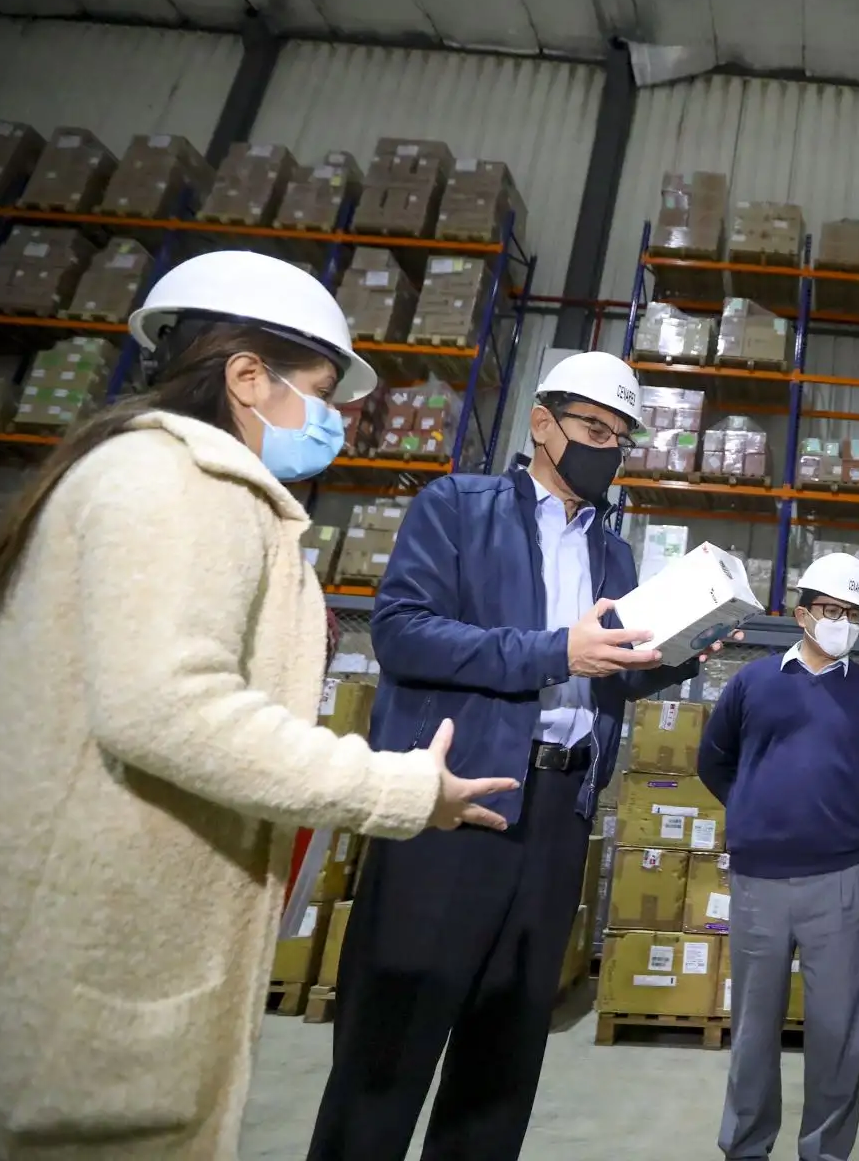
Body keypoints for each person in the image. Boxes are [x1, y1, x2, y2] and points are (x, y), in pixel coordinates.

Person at [0, 251, 515, 1160]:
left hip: (91, 943)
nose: (333, 420)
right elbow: (170, 706)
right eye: (322, 391)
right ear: (246, 377)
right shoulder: (182, 483)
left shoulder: (153, 476)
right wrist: (402, 791)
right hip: (82, 966)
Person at [309, 349, 733, 1160]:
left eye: (621, 436)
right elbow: (402, 633)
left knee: (501, 1063)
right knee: (387, 1053)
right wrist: (553, 652)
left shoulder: (613, 553)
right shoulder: (458, 508)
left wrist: (678, 652)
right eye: (593, 428)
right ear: (542, 425)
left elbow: (604, 677)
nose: (608, 447)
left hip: (557, 819)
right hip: (455, 806)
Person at [698, 553, 859, 1161]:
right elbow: (711, 760)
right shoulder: (753, 683)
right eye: (832, 610)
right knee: (751, 1032)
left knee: (837, 1035)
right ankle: (745, 1147)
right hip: (758, 884)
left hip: (843, 884)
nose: (842, 622)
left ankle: (824, 1152)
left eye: (854, 613)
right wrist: (750, 806)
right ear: (802, 615)